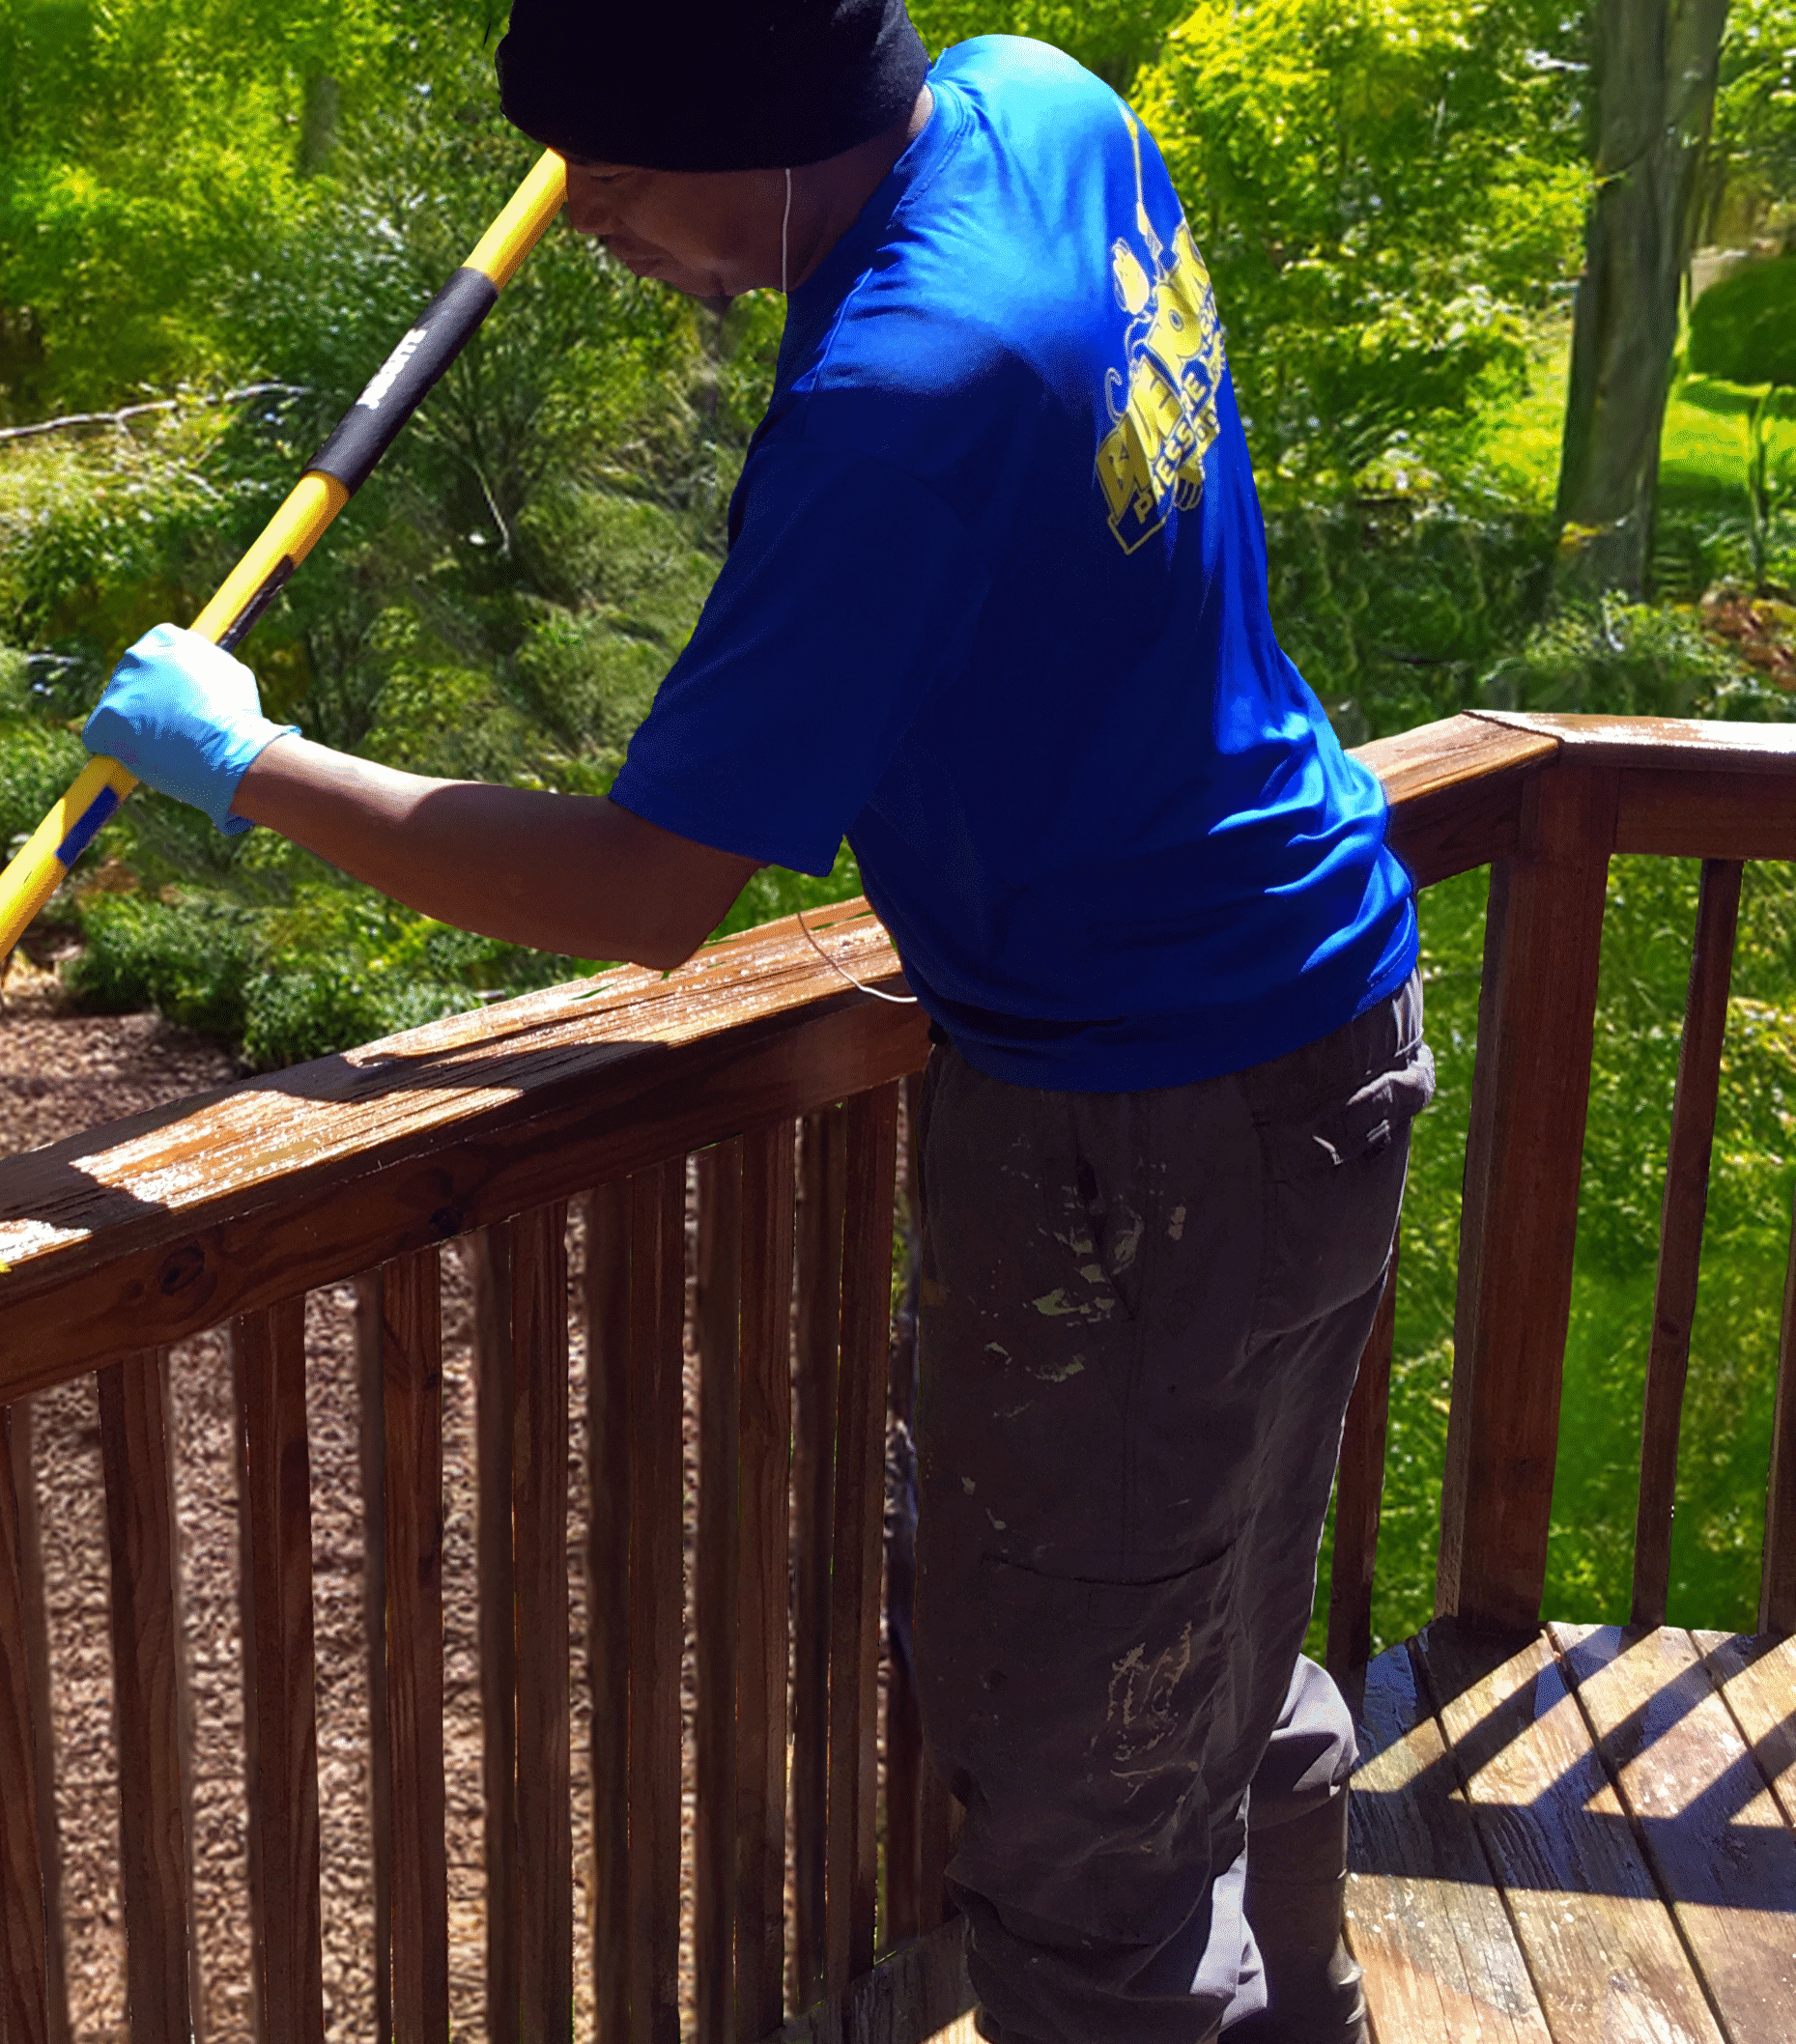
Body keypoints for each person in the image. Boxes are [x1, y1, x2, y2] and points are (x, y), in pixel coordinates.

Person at [82, 4, 1424, 2039]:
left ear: (773, 131)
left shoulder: (907, 393)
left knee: (1087, 1819)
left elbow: (643, 891)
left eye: (619, 164)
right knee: (1202, 1654)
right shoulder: (1030, 98)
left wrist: (247, 758)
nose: (581, 209)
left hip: (1141, 1122)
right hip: (1312, 1020)